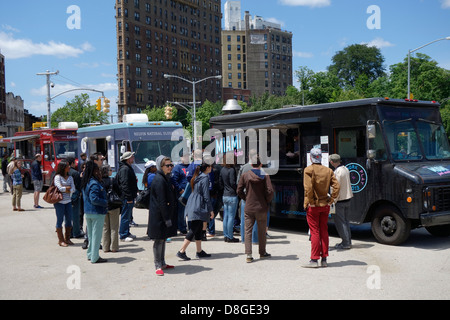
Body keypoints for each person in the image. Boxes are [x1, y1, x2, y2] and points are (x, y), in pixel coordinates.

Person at [302, 148, 340, 268]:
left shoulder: (308, 170)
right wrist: (331, 199)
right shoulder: (328, 170)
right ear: (321, 158)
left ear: (310, 157)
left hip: (313, 206)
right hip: (325, 205)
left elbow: (308, 188)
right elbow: (337, 186)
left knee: (314, 232)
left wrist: (311, 202)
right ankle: (324, 259)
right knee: (324, 230)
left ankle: (314, 260)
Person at [237, 156, 274, 263]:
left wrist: (246, 198)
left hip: (249, 206)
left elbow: (239, 190)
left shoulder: (245, 175)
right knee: (262, 231)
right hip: (261, 207)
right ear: (261, 164)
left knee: (247, 231)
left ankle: (248, 254)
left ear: (251, 165)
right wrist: (266, 200)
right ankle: (262, 253)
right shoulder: (265, 175)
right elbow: (270, 191)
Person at [176, 162, 214, 261]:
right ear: (207, 168)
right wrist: (211, 210)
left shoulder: (197, 177)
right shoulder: (205, 178)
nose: (212, 168)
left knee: (198, 227)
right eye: (211, 166)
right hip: (199, 205)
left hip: (193, 203)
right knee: (194, 228)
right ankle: (181, 251)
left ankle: (199, 251)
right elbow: (206, 195)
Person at [147, 156, 177, 276]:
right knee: (158, 240)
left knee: (163, 238)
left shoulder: (165, 177)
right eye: (167, 166)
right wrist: (166, 218)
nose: (170, 167)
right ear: (161, 166)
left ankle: (163, 262)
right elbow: (161, 201)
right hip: (158, 216)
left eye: (171, 165)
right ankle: (157, 265)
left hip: (163, 214)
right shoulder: (159, 179)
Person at [81, 161, 108, 263]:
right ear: (94, 170)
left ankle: (90, 254)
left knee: (92, 236)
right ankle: (95, 257)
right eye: (97, 169)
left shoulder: (86, 181)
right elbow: (94, 199)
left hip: (88, 212)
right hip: (97, 212)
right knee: (96, 237)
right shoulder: (94, 183)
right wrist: (106, 202)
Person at [329, 154, 353, 250]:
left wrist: (332, 201)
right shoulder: (345, 169)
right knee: (346, 222)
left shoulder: (337, 172)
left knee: (340, 223)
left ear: (331, 162)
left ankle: (345, 243)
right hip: (348, 198)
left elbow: (336, 188)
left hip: (340, 200)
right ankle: (348, 241)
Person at [117, 151, 138, 242]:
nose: (133, 158)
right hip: (126, 197)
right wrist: (129, 197)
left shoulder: (127, 168)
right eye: (132, 157)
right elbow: (124, 184)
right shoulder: (125, 169)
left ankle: (127, 232)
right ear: (128, 159)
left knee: (128, 216)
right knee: (125, 216)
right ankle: (123, 235)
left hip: (129, 196)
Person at [53, 160, 75, 247]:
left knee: (69, 220)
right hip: (59, 202)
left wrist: (66, 188)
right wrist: (68, 188)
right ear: (63, 168)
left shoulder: (70, 177)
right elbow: (59, 188)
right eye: (67, 166)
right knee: (60, 220)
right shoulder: (57, 177)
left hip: (68, 201)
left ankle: (67, 238)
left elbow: (73, 189)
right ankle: (61, 240)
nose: (69, 167)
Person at [101, 164, 121, 253]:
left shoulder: (99, 181)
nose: (111, 171)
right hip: (114, 206)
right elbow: (119, 192)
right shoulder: (112, 180)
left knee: (105, 228)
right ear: (107, 171)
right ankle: (114, 247)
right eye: (110, 170)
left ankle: (105, 247)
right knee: (114, 228)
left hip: (103, 207)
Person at [220, 153, 239, 243]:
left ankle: (225, 235)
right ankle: (230, 236)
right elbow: (232, 182)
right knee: (231, 216)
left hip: (225, 194)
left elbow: (220, 182)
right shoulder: (232, 170)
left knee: (226, 216)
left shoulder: (222, 169)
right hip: (232, 195)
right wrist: (236, 189)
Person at [171, 153, 189, 234]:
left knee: (189, 211)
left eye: (188, 157)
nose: (186, 158)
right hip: (181, 193)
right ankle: (182, 227)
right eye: (185, 157)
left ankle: (190, 227)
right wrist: (179, 189)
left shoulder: (191, 166)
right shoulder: (177, 167)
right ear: (181, 158)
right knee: (181, 211)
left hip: (190, 192)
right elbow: (174, 180)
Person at [68, 157, 83, 238]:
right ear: (73, 163)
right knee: (75, 215)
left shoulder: (64, 172)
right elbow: (78, 186)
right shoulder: (75, 173)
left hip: (65, 196)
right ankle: (76, 232)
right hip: (75, 196)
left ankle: (68, 232)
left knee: (67, 216)